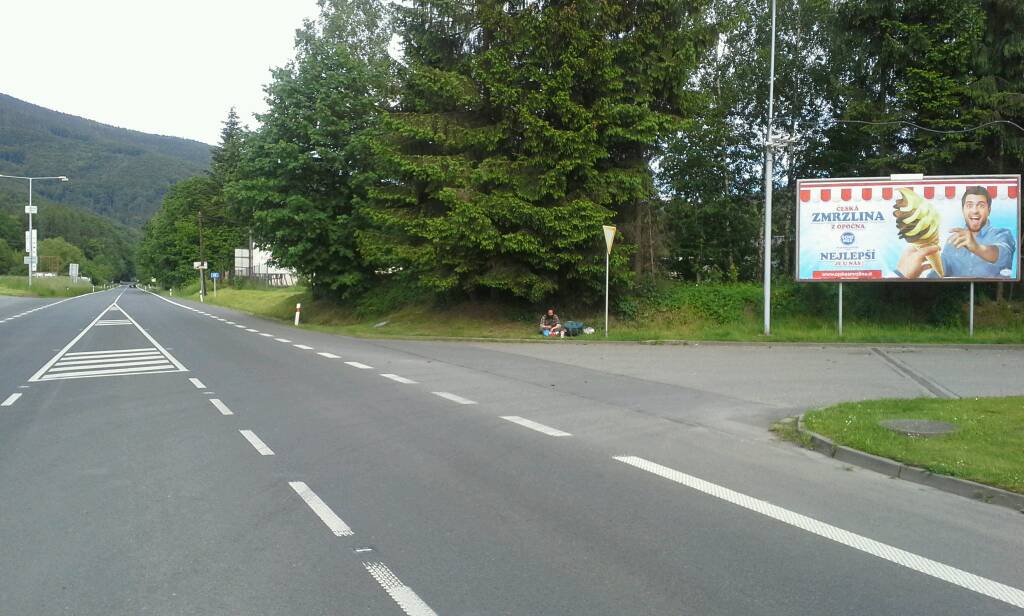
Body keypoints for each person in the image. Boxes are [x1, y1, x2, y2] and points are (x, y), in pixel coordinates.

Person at [896, 186, 1017, 278]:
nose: (974, 211)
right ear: (963, 210)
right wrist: (923, 266)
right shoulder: (953, 240)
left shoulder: (1002, 234)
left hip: (990, 298)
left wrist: (976, 247)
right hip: (959, 294)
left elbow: (1002, 256)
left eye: (981, 206)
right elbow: (942, 271)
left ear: (989, 210)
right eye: (969, 205)